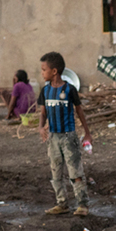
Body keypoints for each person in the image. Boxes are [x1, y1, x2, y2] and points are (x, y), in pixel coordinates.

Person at [37, 52, 93, 217]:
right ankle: (62, 203)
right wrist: (41, 128)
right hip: (53, 137)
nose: (42, 73)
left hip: (69, 137)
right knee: (56, 172)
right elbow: (42, 113)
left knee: (75, 171)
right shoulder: (45, 91)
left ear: (54, 71)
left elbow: (80, 112)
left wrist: (87, 133)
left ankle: (82, 204)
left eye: (43, 69)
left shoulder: (69, 89)